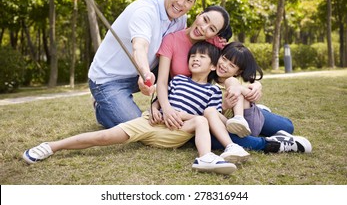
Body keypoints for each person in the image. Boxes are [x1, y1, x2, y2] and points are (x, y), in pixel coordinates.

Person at [23, 42, 245, 175]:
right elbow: (160, 99)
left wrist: (182, 115)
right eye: (192, 56)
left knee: (201, 120)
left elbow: (209, 117)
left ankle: (205, 158)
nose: (195, 59)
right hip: (151, 122)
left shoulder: (214, 91)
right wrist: (157, 108)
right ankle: (52, 146)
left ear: (214, 66)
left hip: (177, 132)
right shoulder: (178, 80)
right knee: (104, 137)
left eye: (202, 57)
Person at [88, 0, 202, 128]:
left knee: (177, 68)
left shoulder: (180, 17)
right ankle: (102, 107)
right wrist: (145, 73)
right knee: (138, 127)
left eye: (189, 0)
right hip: (108, 79)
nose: (182, 3)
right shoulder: (144, 11)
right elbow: (140, 46)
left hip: (143, 72)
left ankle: (156, 105)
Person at [211, 41, 312, 153]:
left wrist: (255, 86)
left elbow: (253, 86)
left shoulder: (238, 80)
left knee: (288, 127)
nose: (224, 65)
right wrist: (225, 106)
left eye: (231, 65)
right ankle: (272, 143)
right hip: (228, 122)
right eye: (224, 59)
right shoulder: (210, 82)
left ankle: (255, 113)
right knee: (217, 138)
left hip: (248, 115)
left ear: (237, 71)